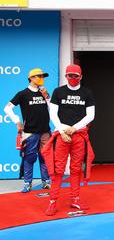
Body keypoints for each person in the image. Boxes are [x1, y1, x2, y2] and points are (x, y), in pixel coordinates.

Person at [43, 64, 96, 216]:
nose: (72, 78)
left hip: (79, 135)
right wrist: (62, 130)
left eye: (75, 76)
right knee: (58, 170)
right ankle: (52, 202)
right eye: (70, 75)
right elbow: (53, 113)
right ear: (66, 76)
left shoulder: (87, 93)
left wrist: (74, 128)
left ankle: (75, 199)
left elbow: (90, 115)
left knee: (75, 169)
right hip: (62, 135)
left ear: (81, 77)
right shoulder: (58, 91)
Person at [3, 68, 52, 193]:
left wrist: (47, 96)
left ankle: (46, 182)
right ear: (31, 78)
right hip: (30, 132)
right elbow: (7, 108)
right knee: (29, 158)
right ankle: (27, 183)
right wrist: (17, 121)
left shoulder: (44, 92)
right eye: (38, 76)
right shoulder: (23, 94)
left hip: (45, 131)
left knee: (45, 157)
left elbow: (52, 110)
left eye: (42, 76)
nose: (41, 78)